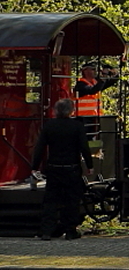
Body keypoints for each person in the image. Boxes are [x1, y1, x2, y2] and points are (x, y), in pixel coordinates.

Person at [31, 98, 94, 240]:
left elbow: (39, 147)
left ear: (56, 111)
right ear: (71, 111)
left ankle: (47, 231)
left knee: (51, 200)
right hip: (72, 168)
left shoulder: (49, 126)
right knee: (71, 200)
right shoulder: (77, 126)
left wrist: (34, 166)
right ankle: (70, 230)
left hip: (54, 168)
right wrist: (89, 165)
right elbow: (84, 147)